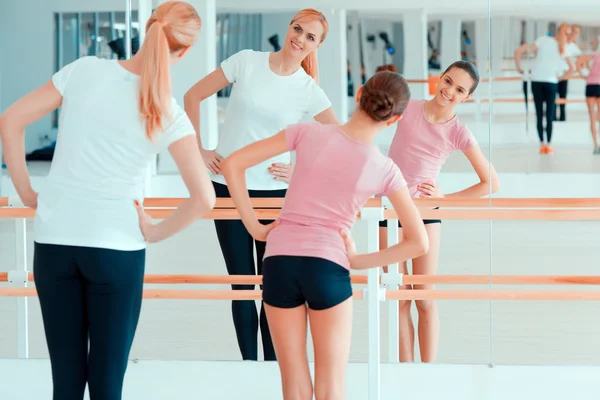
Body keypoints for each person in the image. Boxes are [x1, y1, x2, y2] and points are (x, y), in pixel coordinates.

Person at [0, 2, 215, 399]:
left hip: (55, 243)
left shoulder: (84, 70)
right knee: (106, 386)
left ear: (148, 29)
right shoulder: (166, 110)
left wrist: (28, 192)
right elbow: (204, 198)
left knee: (65, 384)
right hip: (116, 250)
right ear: (184, 51)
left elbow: (10, 120)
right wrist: (153, 231)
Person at [220, 70, 429, 400]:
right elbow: (419, 241)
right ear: (395, 119)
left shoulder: (307, 133)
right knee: (331, 387)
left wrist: (255, 228)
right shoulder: (384, 168)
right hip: (328, 266)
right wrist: (359, 260)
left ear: (359, 93)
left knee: (294, 383)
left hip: (278, 261)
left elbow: (232, 164)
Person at [183, 8, 339, 361]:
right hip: (226, 188)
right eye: (298, 29)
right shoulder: (247, 62)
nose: (300, 38)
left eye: (310, 37)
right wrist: (199, 149)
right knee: (241, 284)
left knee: (273, 288)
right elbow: (192, 96)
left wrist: (300, 171)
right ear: (289, 28)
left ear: (317, 46)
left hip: (275, 196)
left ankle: (272, 367)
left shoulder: (308, 90)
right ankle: (248, 367)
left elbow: (337, 140)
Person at [379, 61, 500, 363]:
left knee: (424, 298)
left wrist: (445, 199)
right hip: (389, 208)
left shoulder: (459, 132)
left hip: (426, 213)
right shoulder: (407, 107)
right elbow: (364, 135)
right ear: (440, 78)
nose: (449, 91)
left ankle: (428, 373)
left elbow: (491, 183)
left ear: (466, 97)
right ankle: (404, 373)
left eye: (459, 90)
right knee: (398, 298)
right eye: (448, 81)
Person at [515, 23, 574, 154]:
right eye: (567, 33)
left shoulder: (550, 42)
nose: (567, 36)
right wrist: (560, 77)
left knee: (542, 114)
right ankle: (545, 144)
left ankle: (544, 144)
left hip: (539, 81)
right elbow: (572, 69)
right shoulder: (559, 46)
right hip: (548, 82)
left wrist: (520, 54)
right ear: (562, 32)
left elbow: (528, 50)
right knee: (546, 115)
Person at [556, 24, 582, 122]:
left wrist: (575, 66)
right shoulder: (559, 44)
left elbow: (580, 58)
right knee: (553, 97)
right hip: (555, 74)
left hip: (565, 74)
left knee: (563, 97)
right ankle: (553, 116)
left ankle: (562, 117)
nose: (575, 35)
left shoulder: (572, 46)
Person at [577, 45, 600, 153]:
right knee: (599, 116)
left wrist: (582, 74)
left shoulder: (594, 55)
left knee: (592, 117)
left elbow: (580, 60)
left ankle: (596, 145)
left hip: (591, 85)